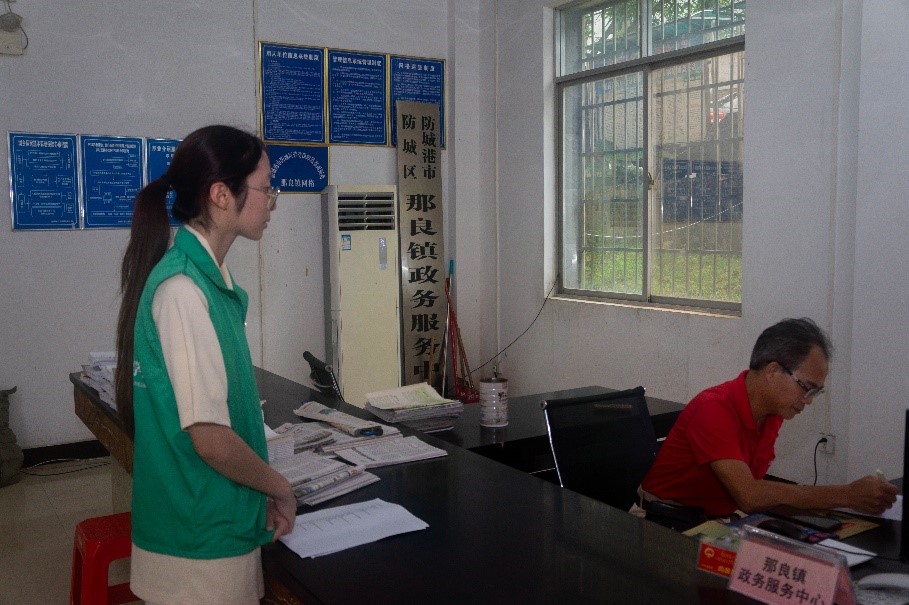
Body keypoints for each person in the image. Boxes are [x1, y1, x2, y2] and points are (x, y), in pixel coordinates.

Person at [114, 125, 296, 604]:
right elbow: (212, 440)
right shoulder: (184, 291)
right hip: (198, 544)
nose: (272, 202)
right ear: (221, 195)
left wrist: (256, 495)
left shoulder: (209, 283)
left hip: (214, 523)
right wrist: (280, 488)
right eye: (266, 188)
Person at [639, 317, 898, 520]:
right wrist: (848, 495)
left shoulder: (773, 412)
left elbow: (756, 493)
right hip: (663, 521)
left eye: (815, 392)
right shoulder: (713, 409)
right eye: (806, 388)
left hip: (715, 519)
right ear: (773, 371)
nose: (808, 400)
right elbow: (750, 495)